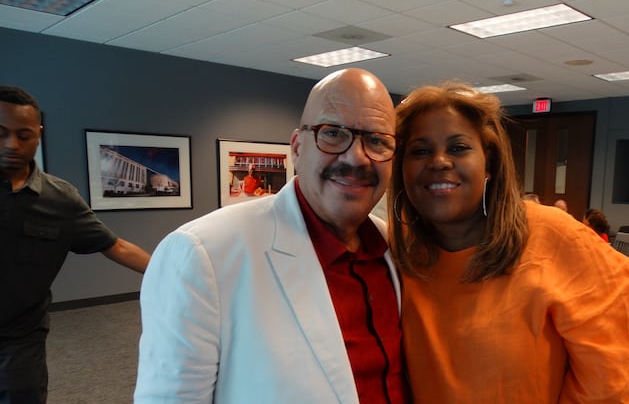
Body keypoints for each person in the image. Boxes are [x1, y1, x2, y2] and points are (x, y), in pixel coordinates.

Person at [134, 68, 408, 403]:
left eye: (378, 140)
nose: (356, 156)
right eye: (333, 133)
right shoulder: (202, 254)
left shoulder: (393, 248)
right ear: (296, 148)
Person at [389, 81, 629, 403]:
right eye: (420, 151)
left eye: (458, 147)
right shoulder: (396, 254)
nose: (438, 161)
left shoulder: (558, 237)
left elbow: (609, 388)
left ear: (489, 163)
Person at [0, 85, 151, 403]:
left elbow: (116, 246)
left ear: (39, 134)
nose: (11, 144)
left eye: (23, 135)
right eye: (0, 133)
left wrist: (179, 273)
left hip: (20, 336)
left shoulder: (60, 198)